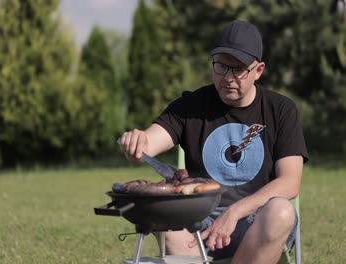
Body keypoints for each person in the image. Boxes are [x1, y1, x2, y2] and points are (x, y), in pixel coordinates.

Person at [118, 20, 309, 264]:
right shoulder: (190, 107)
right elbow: (149, 141)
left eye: (238, 69)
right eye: (221, 66)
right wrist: (137, 142)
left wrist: (234, 212)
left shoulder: (280, 110)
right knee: (162, 216)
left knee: (282, 212)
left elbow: (290, 183)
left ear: (258, 70)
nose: (228, 77)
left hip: (257, 221)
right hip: (199, 221)